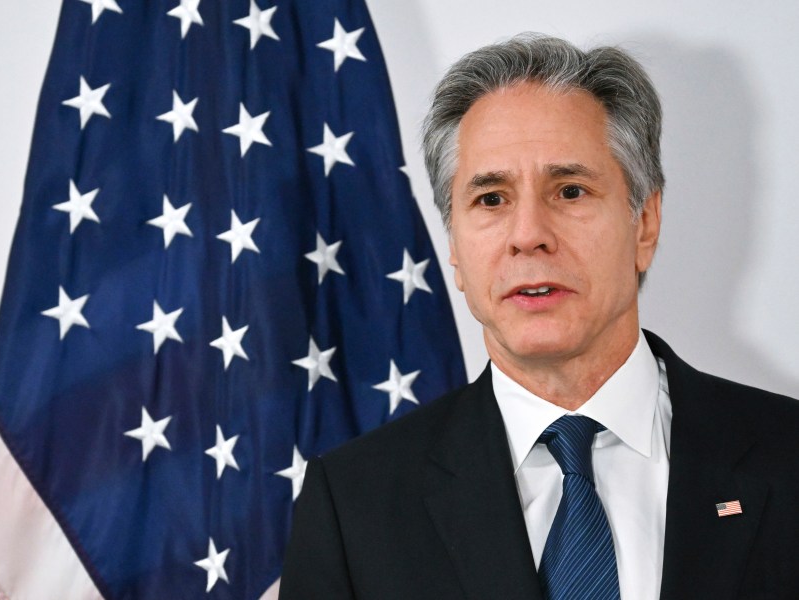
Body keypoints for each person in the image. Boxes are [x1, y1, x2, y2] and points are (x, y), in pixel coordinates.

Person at [279, 33, 799, 599]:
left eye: (570, 191)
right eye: (492, 200)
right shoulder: (353, 506)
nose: (528, 236)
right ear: (454, 246)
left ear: (644, 224)